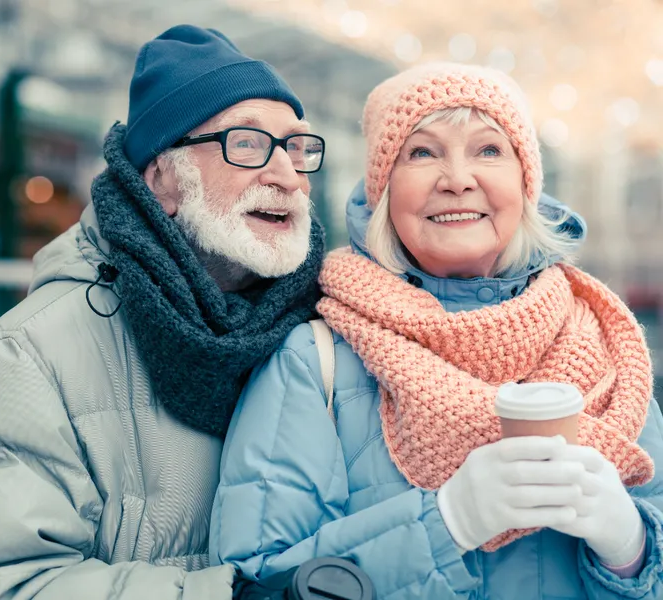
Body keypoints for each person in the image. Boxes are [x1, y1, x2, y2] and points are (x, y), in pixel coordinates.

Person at [210, 62, 663, 599]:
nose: (457, 179)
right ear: (383, 191)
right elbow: (255, 583)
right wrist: (445, 524)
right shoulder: (315, 362)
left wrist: (634, 549)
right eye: (421, 152)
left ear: (525, 183)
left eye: (489, 150)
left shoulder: (604, 347)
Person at [0, 24, 327, 600]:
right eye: (249, 144)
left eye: (298, 148)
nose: (286, 175)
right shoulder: (29, 360)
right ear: (162, 179)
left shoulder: (327, 333)